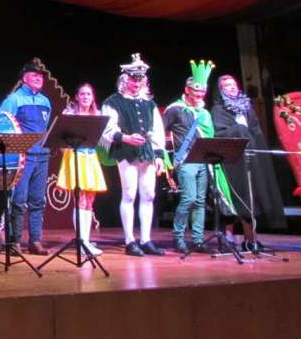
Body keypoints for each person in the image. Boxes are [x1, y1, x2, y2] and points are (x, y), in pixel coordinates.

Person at [100, 54, 166, 257]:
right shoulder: (113, 102)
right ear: (125, 79)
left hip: (146, 153)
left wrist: (159, 155)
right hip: (126, 151)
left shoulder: (149, 104)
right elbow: (108, 129)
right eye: (133, 79)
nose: (136, 83)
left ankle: (146, 239)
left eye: (140, 79)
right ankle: (130, 240)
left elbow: (157, 130)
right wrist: (126, 138)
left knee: (149, 194)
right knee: (129, 194)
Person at [212, 74, 286, 250]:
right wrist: (240, 130)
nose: (232, 87)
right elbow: (220, 133)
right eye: (227, 85)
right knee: (234, 200)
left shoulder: (247, 108)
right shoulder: (218, 110)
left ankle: (250, 240)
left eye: (234, 84)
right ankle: (228, 239)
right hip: (232, 162)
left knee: (251, 199)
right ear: (220, 90)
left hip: (250, 159)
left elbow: (255, 131)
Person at [163, 60, 217, 254]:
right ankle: (178, 238)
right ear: (187, 90)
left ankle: (198, 240)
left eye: (203, 91)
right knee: (189, 198)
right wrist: (165, 160)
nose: (200, 94)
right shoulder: (175, 109)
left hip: (203, 161)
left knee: (200, 201)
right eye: (196, 90)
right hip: (185, 160)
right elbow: (159, 133)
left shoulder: (204, 113)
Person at [0, 61, 52, 256]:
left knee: (38, 200)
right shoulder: (14, 99)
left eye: (41, 75)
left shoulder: (45, 101)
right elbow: (3, 124)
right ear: (24, 78)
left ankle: (35, 241)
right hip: (23, 157)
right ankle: (14, 242)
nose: (39, 77)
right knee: (19, 200)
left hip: (42, 156)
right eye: (34, 74)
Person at [56, 83, 107, 257]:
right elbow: (60, 139)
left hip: (91, 158)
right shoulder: (69, 114)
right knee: (80, 199)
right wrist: (68, 155)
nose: (86, 97)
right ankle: (82, 241)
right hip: (75, 157)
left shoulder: (97, 115)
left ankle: (86, 239)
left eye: (89, 94)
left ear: (93, 97)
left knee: (89, 200)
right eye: (82, 94)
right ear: (77, 97)